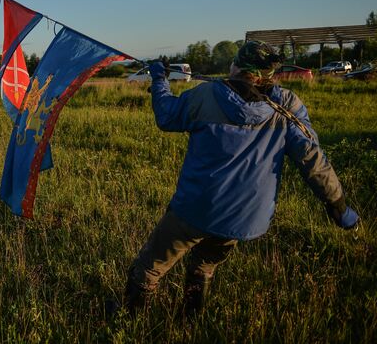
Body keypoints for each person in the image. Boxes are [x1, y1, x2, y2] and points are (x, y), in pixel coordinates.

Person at [123, 41, 359, 317]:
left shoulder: (206, 95)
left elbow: (166, 116)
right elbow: (312, 159)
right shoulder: (287, 106)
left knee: (150, 267)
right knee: (204, 266)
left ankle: (129, 320)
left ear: (236, 66)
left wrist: (160, 80)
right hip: (243, 217)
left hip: (194, 209)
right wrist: (338, 205)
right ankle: (190, 317)